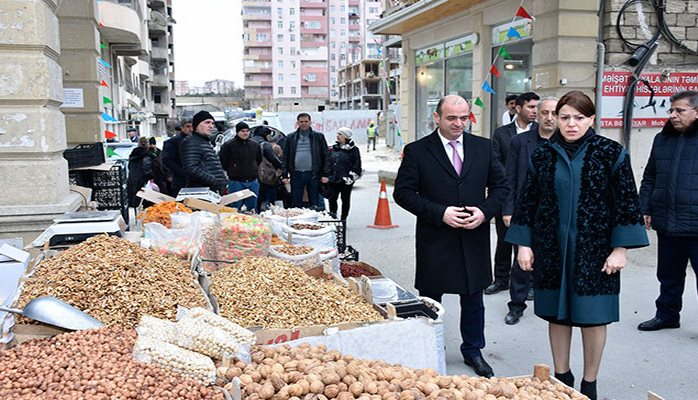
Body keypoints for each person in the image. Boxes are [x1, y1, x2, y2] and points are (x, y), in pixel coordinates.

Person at [506, 91, 648, 399]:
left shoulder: (611, 153)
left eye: (579, 118)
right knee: (558, 314)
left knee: (593, 316)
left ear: (592, 120)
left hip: (595, 251)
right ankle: (562, 377)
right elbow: (527, 201)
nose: (572, 124)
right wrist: (524, 245)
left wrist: (620, 249)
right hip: (551, 247)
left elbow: (626, 202)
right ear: (554, 118)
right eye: (565, 117)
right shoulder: (542, 155)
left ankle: (589, 383)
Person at [393, 94, 507, 378]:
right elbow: (403, 193)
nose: (458, 124)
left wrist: (484, 212)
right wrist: (439, 213)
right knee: (431, 299)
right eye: (451, 118)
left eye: (463, 118)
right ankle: (429, 347)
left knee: (473, 297)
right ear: (437, 118)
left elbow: (502, 187)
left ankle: (473, 350)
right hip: (436, 236)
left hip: (473, 236)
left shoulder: (483, 147)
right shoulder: (418, 151)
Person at [637, 90, 698, 332]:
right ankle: (667, 315)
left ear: (696, 112)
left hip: (696, 222)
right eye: (671, 110)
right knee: (668, 274)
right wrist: (645, 207)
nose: (672, 115)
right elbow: (650, 176)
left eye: (679, 111)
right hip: (667, 220)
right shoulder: (662, 139)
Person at [501, 96, 558, 325]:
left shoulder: (566, 142)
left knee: (553, 261)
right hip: (524, 211)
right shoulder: (520, 142)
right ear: (537, 114)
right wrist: (508, 210)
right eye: (545, 112)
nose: (549, 118)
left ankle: (553, 304)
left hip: (555, 214)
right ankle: (516, 305)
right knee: (521, 262)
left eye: (555, 113)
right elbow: (510, 178)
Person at [487, 92, 540, 295]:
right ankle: (501, 279)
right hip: (506, 194)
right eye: (530, 107)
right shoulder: (501, 134)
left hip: (532, 196)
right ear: (517, 108)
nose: (534, 111)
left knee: (528, 241)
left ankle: (529, 282)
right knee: (504, 240)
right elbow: (496, 162)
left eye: (537, 107)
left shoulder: (541, 132)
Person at [281, 113, 330, 209]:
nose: (304, 124)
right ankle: (297, 222)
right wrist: (285, 174)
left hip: (313, 174)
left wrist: (325, 174)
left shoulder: (318, 137)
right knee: (296, 202)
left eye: (306, 121)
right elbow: (285, 157)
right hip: (296, 174)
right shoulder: (291, 137)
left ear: (310, 122)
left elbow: (326, 156)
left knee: (314, 202)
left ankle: (314, 221)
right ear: (297, 123)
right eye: (301, 122)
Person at [180, 111, 228, 193]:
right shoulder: (192, 141)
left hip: (210, 190)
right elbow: (191, 168)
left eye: (212, 123)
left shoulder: (204, 141)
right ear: (197, 126)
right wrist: (213, 180)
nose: (211, 126)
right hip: (201, 191)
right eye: (207, 122)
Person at [219, 121, 262, 211]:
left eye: (247, 131)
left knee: (253, 208)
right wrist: (233, 170)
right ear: (237, 132)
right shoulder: (228, 145)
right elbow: (223, 162)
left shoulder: (255, 145)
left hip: (252, 181)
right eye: (242, 131)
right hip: (236, 182)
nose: (245, 133)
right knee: (235, 207)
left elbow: (259, 159)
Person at [327, 127, 362, 220]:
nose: (337, 136)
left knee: (345, 200)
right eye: (337, 134)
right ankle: (333, 217)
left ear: (346, 136)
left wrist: (351, 177)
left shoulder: (354, 150)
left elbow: (357, 165)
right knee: (332, 199)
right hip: (333, 179)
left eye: (340, 134)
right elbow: (328, 162)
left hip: (346, 181)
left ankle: (343, 219)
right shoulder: (333, 149)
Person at [252, 126, 284, 211]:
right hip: (265, 176)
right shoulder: (265, 144)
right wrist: (282, 167)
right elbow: (272, 159)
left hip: (250, 176)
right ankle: (269, 213)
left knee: (255, 199)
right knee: (270, 197)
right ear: (266, 135)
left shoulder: (248, 142)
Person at [163, 119, 193, 197]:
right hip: (181, 182)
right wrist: (182, 172)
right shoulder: (173, 142)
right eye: (188, 126)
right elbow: (166, 160)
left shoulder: (199, 140)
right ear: (182, 128)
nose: (191, 129)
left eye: (192, 126)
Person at [126, 136, 153, 208]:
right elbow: (147, 168)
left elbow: (129, 167)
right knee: (144, 201)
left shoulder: (134, 153)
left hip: (132, 178)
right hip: (143, 179)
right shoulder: (149, 154)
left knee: (134, 200)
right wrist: (151, 176)